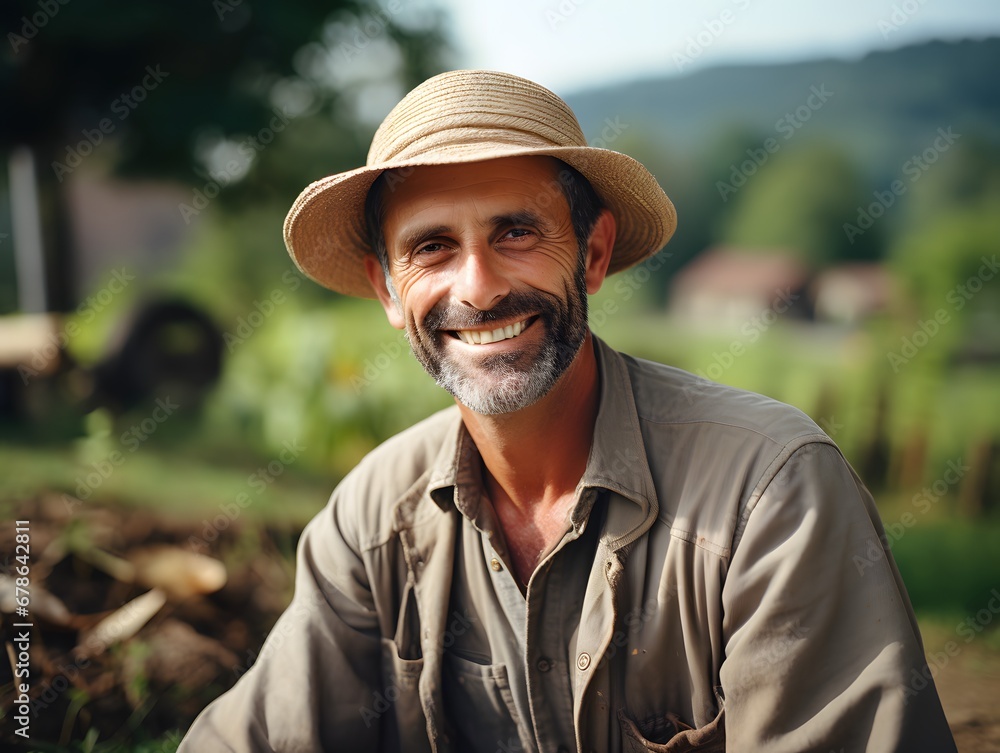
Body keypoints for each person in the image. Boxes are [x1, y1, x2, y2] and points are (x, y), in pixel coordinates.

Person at [180, 70, 956, 752]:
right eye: (431, 247)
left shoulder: (768, 491)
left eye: (516, 232)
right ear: (388, 290)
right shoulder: (372, 518)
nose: (477, 288)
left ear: (590, 253)